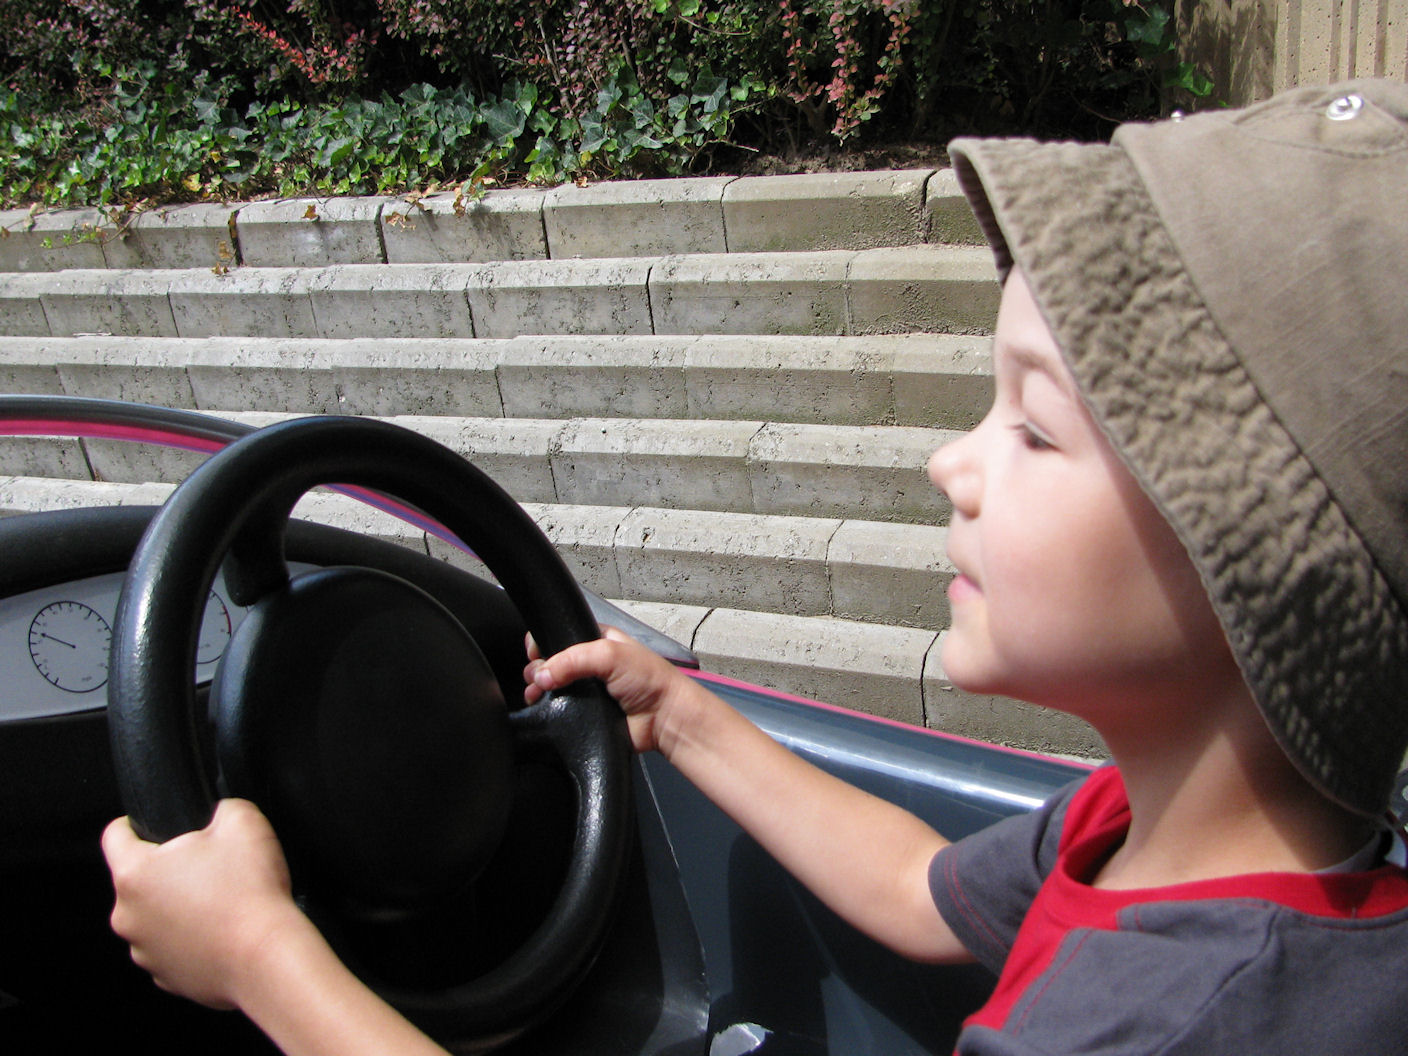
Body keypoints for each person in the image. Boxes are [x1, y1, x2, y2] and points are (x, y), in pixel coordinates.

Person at [103, 77, 1408, 1054]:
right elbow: (918, 890)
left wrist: (261, 954)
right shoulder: (1150, 835)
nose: (951, 462)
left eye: (1033, 427)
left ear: (1257, 566)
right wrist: (685, 717)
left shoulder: (1161, 1028)